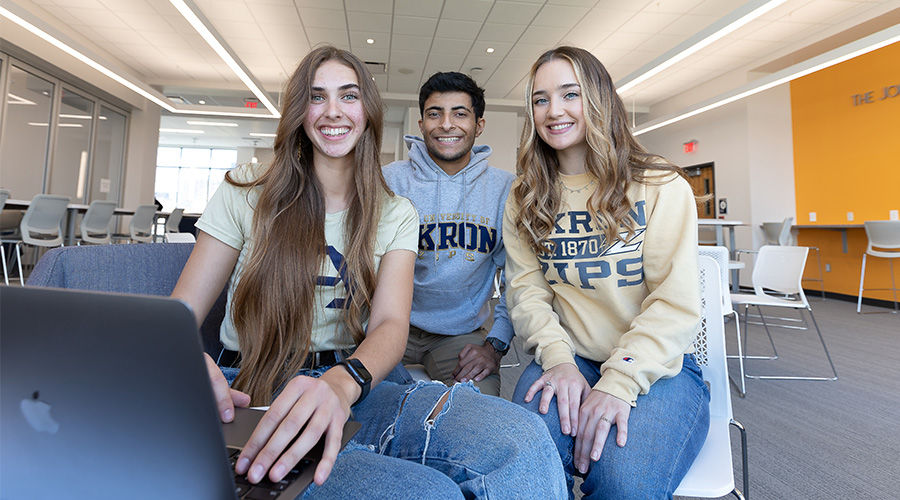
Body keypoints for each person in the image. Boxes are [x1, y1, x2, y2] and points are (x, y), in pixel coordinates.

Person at [171, 46, 566, 500]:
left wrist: (343, 383)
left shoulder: (394, 211)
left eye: (349, 96)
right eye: (317, 97)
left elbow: (389, 325)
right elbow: (177, 317)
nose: (333, 111)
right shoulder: (247, 190)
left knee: (525, 442)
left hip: (362, 380)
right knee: (431, 493)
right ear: (299, 109)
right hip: (263, 386)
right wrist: (183, 361)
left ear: (367, 110)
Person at [503, 46, 710, 500]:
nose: (553, 111)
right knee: (515, 470)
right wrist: (558, 361)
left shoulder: (659, 184)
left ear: (598, 99)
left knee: (623, 484)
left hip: (658, 368)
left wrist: (618, 381)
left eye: (569, 94)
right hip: (568, 357)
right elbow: (526, 294)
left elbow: (672, 304)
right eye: (540, 99)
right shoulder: (524, 195)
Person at [382, 72, 515, 396]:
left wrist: (494, 346)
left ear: (479, 125)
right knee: (359, 407)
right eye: (435, 113)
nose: (446, 124)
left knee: (477, 416)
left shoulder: (505, 189)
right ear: (421, 123)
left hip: (460, 334)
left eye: (460, 113)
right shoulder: (388, 181)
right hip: (386, 324)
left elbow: (519, 278)